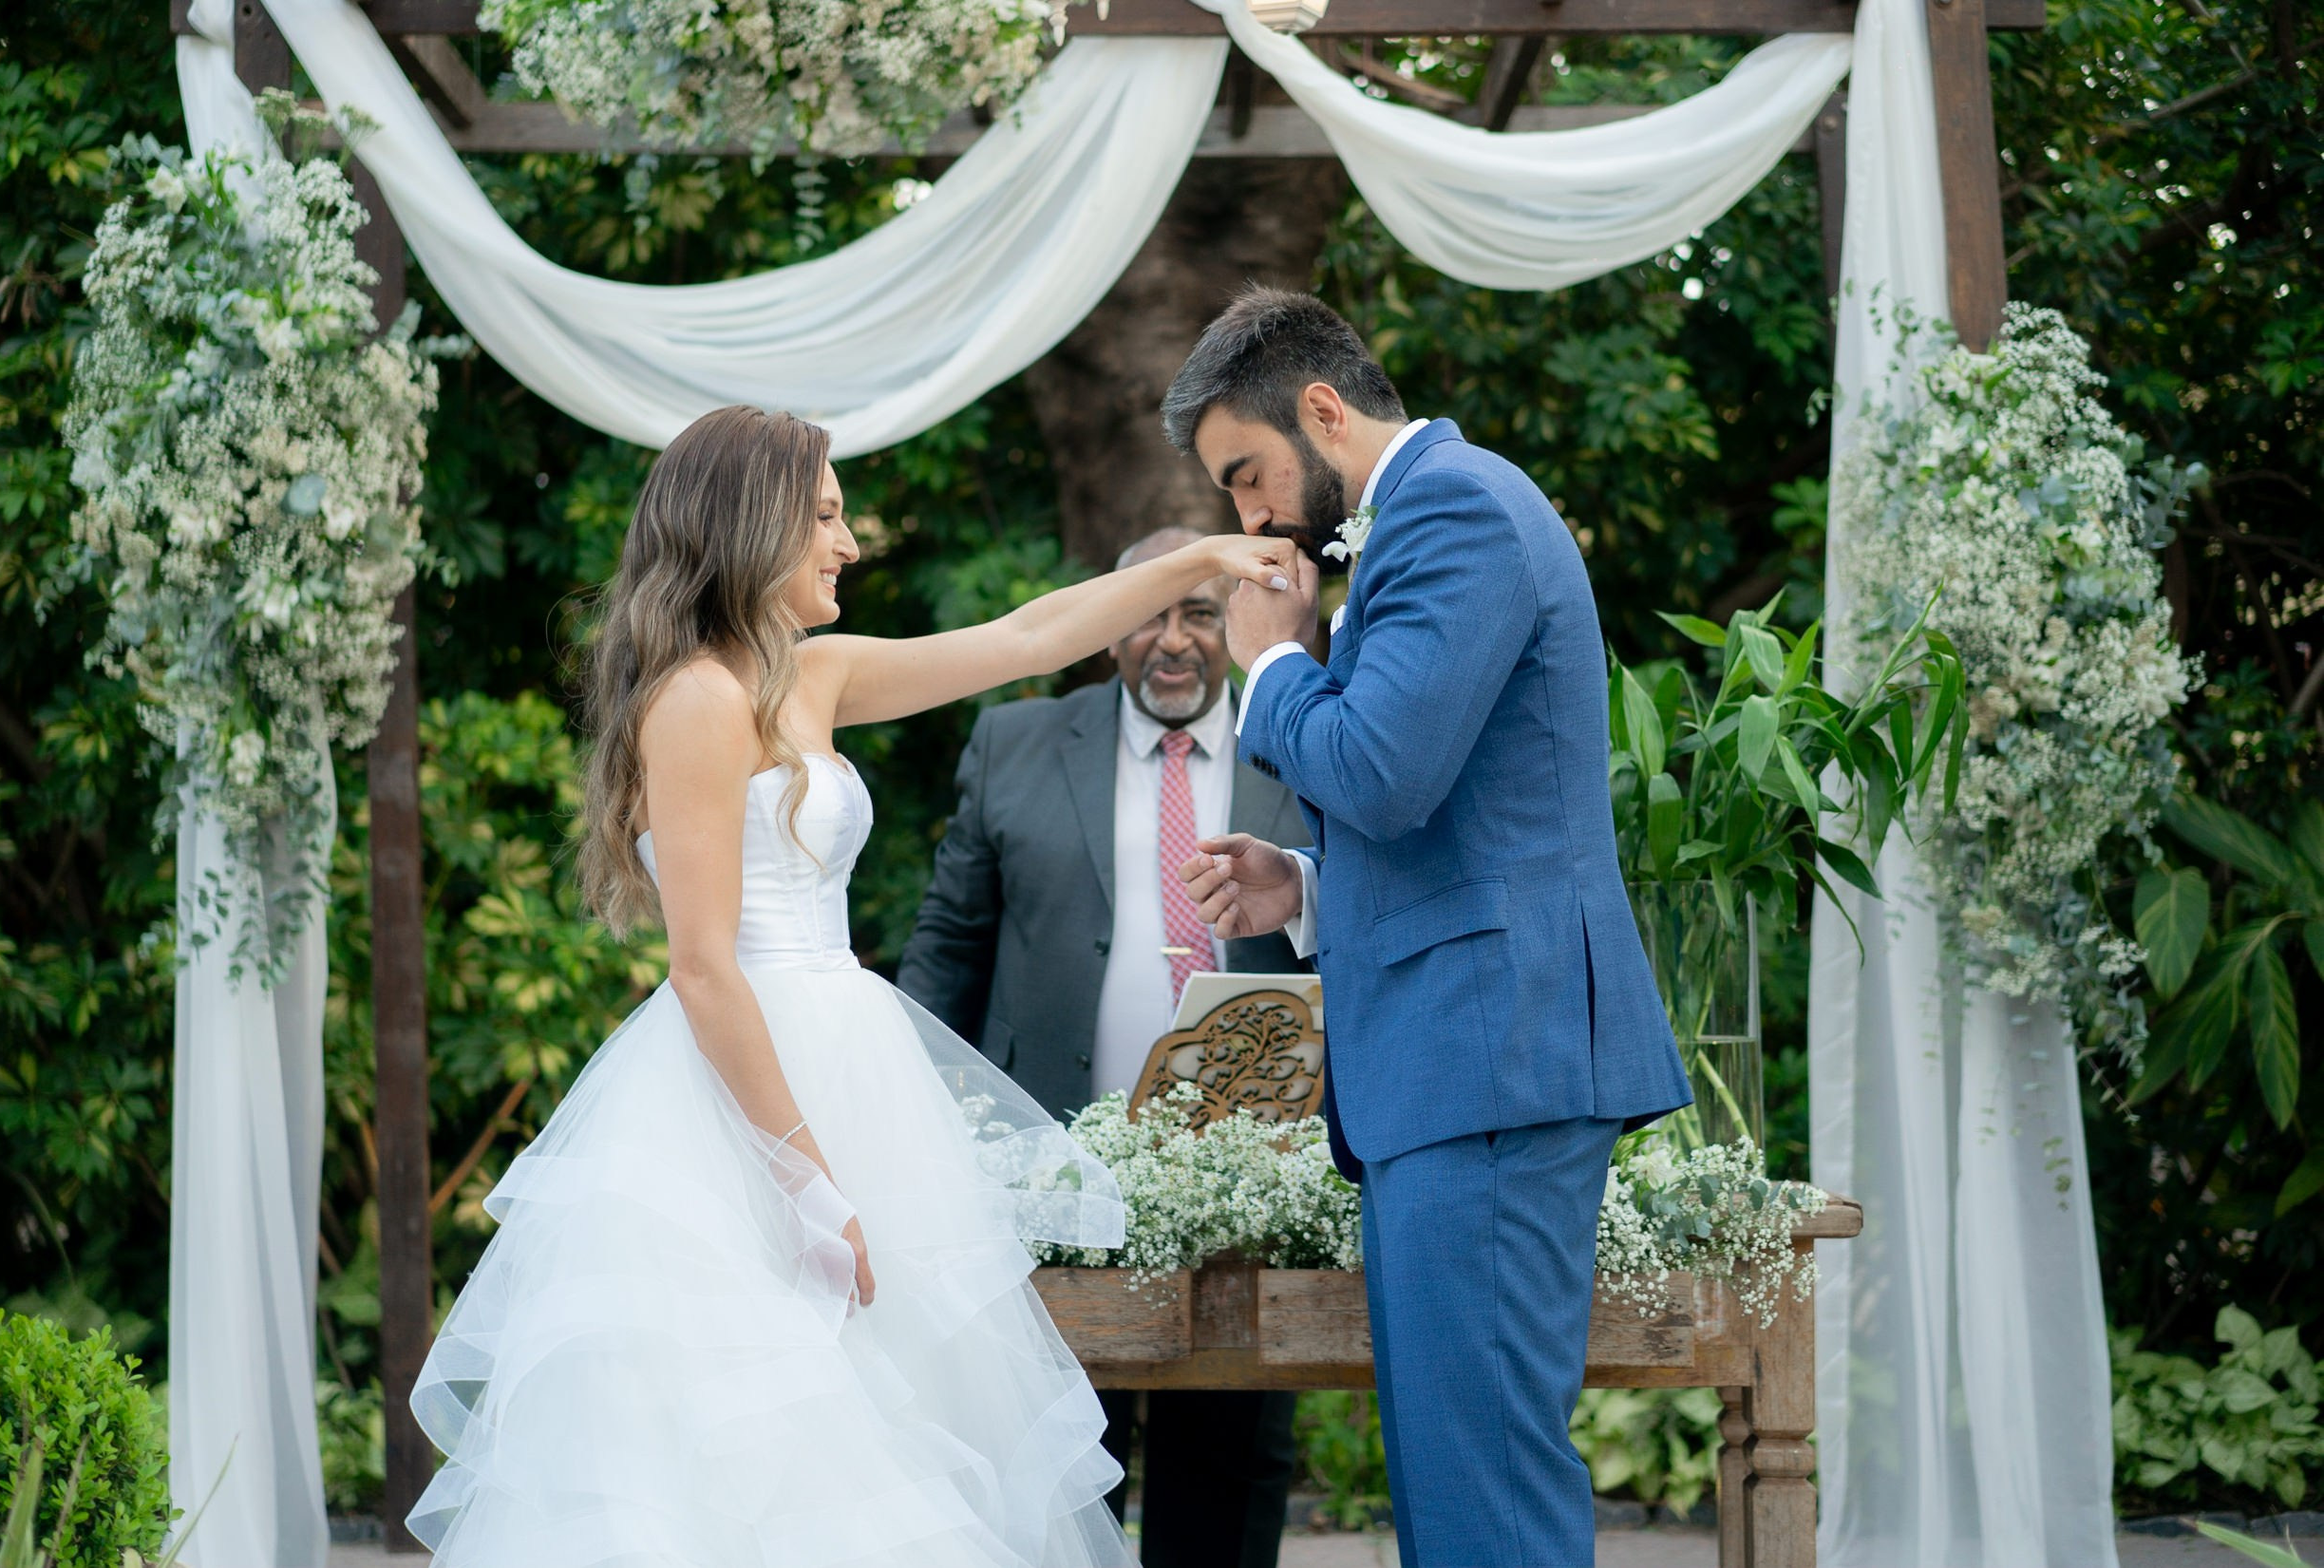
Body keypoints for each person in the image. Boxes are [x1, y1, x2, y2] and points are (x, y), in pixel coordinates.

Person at [405, 404, 1294, 1568]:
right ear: (751, 523)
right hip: (748, 1112)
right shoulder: (699, 700)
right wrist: (807, 1183)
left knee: (898, 1423)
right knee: (775, 1439)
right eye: (825, 515)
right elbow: (704, 964)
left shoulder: (808, 676)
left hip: (856, 1074)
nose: (850, 541)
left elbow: (1027, 637)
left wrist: (1198, 559)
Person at [1164, 288, 1692, 1568]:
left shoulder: (1454, 508)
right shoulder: (1426, 519)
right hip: (1459, 1069)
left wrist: (1271, 664)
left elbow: (1386, 767)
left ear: (1324, 410)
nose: (1247, 519)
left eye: (1247, 475)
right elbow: (1463, 817)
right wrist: (1309, 885)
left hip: (1490, 1068)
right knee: (1457, 1491)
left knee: (1485, 1497)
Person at [897, 524, 1313, 1568]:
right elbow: (949, 944)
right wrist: (904, 1107)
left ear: (1235, 623)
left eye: (1199, 613)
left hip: (1247, 1181)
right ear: (1105, 629)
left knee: (1226, 1464)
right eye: (1144, 615)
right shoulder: (1016, 744)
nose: (1169, 642)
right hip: (1044, 1164)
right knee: (1057, 1460)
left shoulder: (1303, 743)